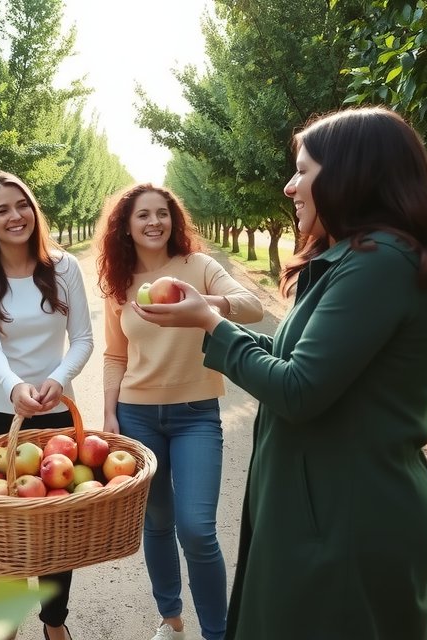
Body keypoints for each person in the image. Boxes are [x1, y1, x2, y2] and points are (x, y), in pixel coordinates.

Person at [132, 106, 427, 640]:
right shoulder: (357, 259)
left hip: (346, 519)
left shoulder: (380, 264)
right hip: (325, 508)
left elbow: (298, 388)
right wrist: (208, 322)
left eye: (303, 170)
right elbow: (295, 357)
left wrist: (213, 324)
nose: (289, 186)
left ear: (352, 174)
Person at [95, 183, 264, 640]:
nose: (154, 222)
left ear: (174, 219)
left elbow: (252, 306)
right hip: (136, 415)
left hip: (196, 415)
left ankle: (217, 632)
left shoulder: (198, 267)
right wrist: (109, 415)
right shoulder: (119, 282)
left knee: (196, 529)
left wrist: (203, 304)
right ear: (126, 227)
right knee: (156, 521)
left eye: (162, 213)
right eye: (143, 216)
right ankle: (170, 619)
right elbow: (115, 355)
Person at [0, 171, 93, 640]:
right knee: (2, 526)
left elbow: (82, 339)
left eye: (22, 205)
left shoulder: (63, 266)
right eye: (1, 209)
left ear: (34, 210)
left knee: (57, 525)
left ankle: (54, 623)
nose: (15, 216)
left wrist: (57, 380)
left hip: (56, 410)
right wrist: (16, 386)